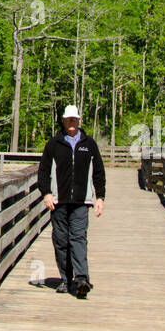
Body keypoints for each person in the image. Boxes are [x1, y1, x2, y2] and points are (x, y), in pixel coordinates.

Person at [37, 104, 105, 298]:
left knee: (78, 238)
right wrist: (46, 193)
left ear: (79, 120)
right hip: (58, 201)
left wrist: (100, 196)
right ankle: (66, 281)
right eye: (69, 119)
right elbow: (43, 171)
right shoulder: (53, 144)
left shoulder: (89, 144)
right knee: (61, 241)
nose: (72, 123)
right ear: (63, 120)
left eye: (74, 119)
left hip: (82, 201)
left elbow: (99, 172)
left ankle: (82, 279)